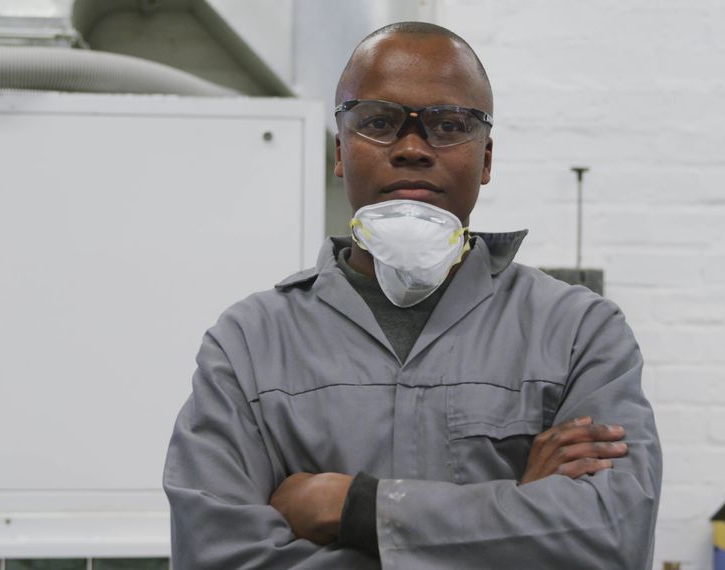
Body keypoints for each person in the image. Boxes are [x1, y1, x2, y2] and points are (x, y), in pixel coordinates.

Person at [164, 21, 661, 569]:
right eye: (378, 122)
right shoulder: (250, 344)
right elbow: (217, 556)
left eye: (449, 125)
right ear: (340, 151)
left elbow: (611, 540)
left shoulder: (577, 333)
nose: (411, 148)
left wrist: (349, 508)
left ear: (486, 158)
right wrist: (520, 512)